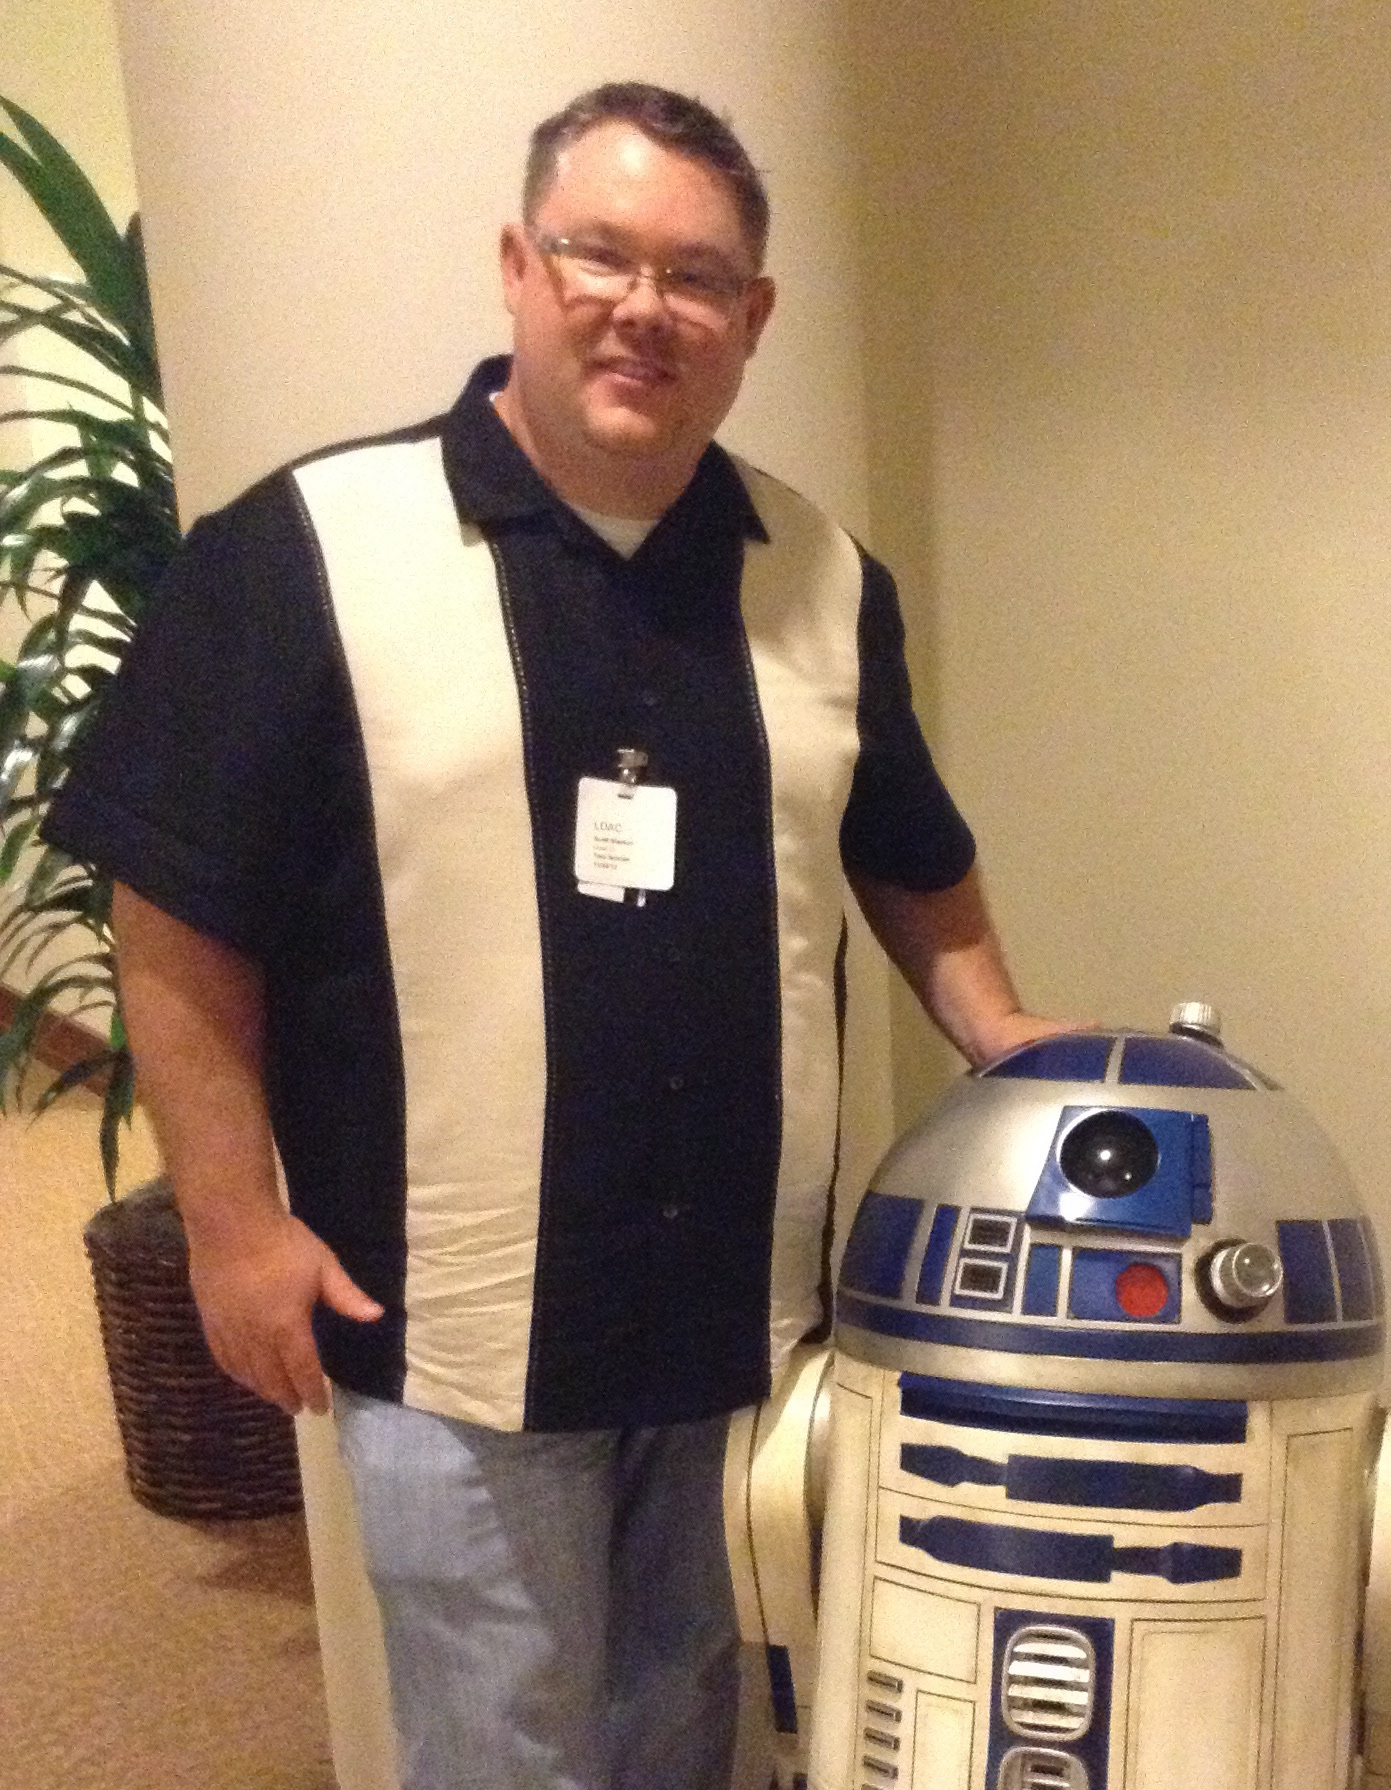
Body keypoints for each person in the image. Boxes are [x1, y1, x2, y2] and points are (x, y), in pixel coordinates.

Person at [45, 81, 1059, 1790]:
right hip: (456, 1306)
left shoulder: (819, 576)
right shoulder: (304, 552)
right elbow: (177, 899)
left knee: (686, 1713)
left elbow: (904, 846)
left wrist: (1002, 1031)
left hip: (736, 1301)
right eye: (600, 255)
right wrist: (229, 1224)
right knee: (500, 1749)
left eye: (695, 276)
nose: (643, 308)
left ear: (752, 316)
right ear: (519, 266)